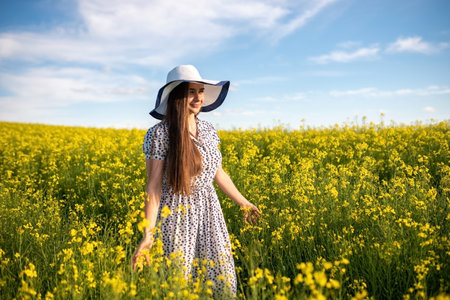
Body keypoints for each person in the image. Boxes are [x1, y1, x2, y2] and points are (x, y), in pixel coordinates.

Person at [131, 65, 261, 297]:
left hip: (209, 212)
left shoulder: (209, 130)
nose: (198, 97)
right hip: (176, 216)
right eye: (191, 91)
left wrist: (244, 202)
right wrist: (148, 235)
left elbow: (218, 173)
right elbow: (153, 187)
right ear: (177, 95)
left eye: (200, 91)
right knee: (178, 281)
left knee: (219, 276)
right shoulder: (159, 134)